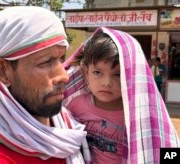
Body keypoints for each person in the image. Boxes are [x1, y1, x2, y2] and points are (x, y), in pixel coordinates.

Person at [0, 6, 87, 164]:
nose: (64, 76)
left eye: (61, 59)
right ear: (3, 71)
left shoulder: (72, 129)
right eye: (45, 62)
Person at [63, 27, 180, 164]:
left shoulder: (141, 115)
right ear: (85, 71)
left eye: (118, 74)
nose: (106, 83)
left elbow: (165, 149)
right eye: (98, 72)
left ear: (132, 76)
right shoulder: (75, 105)